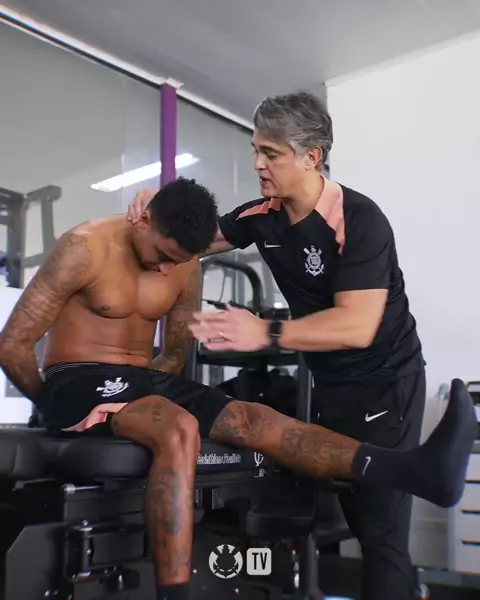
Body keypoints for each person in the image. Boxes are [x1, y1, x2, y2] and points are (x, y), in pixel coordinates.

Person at [0, 181, 475, 600]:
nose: (167, 269)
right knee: (178, 428)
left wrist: (147, 394)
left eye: (178, 261)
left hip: (142, 380)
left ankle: (414, 470)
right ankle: (174, 594)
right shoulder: (84, 247)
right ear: (143, 220)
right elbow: (13, 345)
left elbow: (174, 355)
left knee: (253, 416)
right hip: (76, 377)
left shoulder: (185, 263)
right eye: (162, 254)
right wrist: (54, 406)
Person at [126, 92, 477, 600]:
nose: (258, 164)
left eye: (271, 153)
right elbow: (191, 241)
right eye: (256, 150)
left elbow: (357, 325)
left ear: (312, 156)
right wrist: (153, 211)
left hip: (386, 385)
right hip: (331, 384)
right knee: (340, 511)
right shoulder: (261, 215)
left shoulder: (359, 219)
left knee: (379, 534)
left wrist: (265, 332)